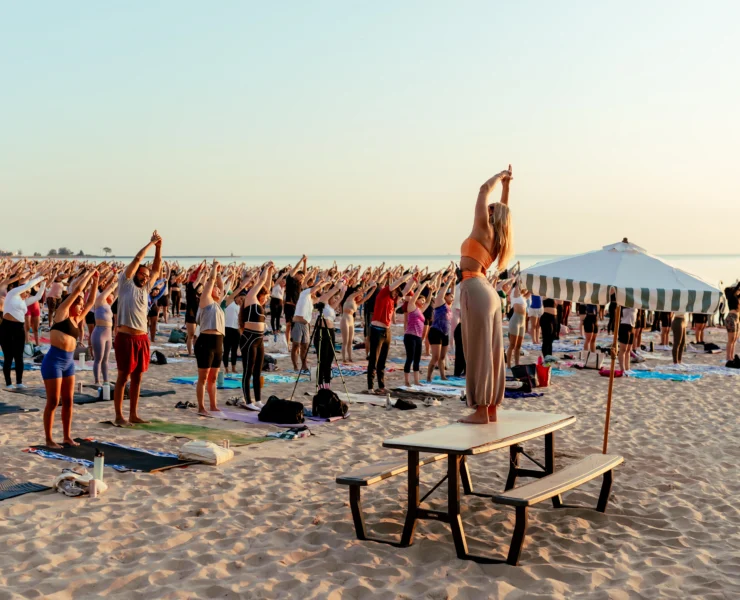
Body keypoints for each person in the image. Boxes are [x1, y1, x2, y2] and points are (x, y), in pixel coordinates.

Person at [459, 166, 513, 424]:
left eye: (490, 207)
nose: (486, 207)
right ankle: (490, 409)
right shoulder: (499, 236)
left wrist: (498, 178)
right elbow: (504, 211)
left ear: (490, 214)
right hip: (488, 292)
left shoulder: (483, 227)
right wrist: (507, 188)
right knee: (492, 352)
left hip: (475, 288)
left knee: (478, 351)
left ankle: (481, 411)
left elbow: (482, 189)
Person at [42, 270, 98, 447]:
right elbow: (77, 291)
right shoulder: (61, 314)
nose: (81, 307)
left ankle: (66, 437)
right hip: (53, 361)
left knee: (68, 401)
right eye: (78, 305)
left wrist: (96, 281)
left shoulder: (77, 318)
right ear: (72, 304)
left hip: (68, 363)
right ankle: (49, 439)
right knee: (53, 401)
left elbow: (90, 302)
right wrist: (88, 275)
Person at [113, 231, 163, 426]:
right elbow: (137, 259)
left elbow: (157, 268)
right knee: (123, 377)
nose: (145, 277)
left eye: (147, 276)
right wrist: (150, 244)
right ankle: (119, 416)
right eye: (142, 274)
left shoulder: (145, 289)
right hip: (125, 337)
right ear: (135, 274)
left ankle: (133, 414)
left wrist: (159, 248)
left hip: (141, 338)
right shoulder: (125, 284)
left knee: (138, 377)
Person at [235, 263, 273, 410]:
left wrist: (270, 272)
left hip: (259, 340)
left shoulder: (260, 305)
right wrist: (265, 269)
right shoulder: (251, 299)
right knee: (248, 370)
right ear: (259, 295)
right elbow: (262, 283)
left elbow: (267, 284)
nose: (267, 299)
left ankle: (258, 400)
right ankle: (248, 401)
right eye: (266, 296)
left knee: (258, 371)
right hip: (249, 339)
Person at [367, 272, 413, 394]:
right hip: (376, 330)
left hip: (387, 331)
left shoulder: (394, 299)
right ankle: (370, 387)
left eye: (398, 293)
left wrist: (413, 279)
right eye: (396, 292)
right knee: (374, 360)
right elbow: (399, 282)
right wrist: (409, 274)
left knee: (382, 360)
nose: (397, 294)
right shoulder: (383, 293)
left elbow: (407, 289)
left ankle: (381, 386)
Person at [1, 274, 46, 389]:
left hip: (19, 328)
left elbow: (38, 297)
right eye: (26, 291)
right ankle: (8, 383)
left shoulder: (23, 302)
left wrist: (44, 283)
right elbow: (29, 284)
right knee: (8, 356)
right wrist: (40, 277)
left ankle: (19, 382)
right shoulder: (12, 294)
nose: (27, 294)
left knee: (19, 356)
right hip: (6, 327)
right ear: (22, 289)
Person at [194, 261, 226, 415]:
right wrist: (214, 269)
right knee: (204, 377)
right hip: (205, 341)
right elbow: (212, 282)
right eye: (216, 289)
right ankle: (201, 407)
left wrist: (220, 273)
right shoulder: (206, 301)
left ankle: (213, 405)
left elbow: (221, 285)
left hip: (218, 342)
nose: (219, 290)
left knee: (213, 377)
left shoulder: (218, 305)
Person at [291, 276, 332, 375]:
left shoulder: (311, 300)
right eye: (314, 291)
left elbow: (322, 298)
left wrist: (326, 288)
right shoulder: (304, 294)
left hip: (306, 325)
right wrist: (324, 282)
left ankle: (304, 366)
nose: (315, 292)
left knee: (304, 346)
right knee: (296, 345)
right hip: (298, 323)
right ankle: (295, 366)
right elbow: (315, 288)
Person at [314, 282, 345, 388]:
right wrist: (338, 286)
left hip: (331, 332)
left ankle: (327, 383)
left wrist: (343, 291)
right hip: (321, 331)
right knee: (322, 359)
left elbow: (341, 298)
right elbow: (331, 292)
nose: (336, 299)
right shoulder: (323, 302)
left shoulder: (331, 308)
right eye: (334, 298)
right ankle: (320, 383)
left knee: (329, 359)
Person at [426, 275, 455, 383]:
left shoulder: (449, 306)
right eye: (450, 296)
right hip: (436, 332)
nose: (452, 297)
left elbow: (454, 294)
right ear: (445, 297)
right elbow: (442, 293)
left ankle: (443, 375)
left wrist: (454, 284)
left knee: (442, 357)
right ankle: (428, 376)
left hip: (445, 333)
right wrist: (449, 281)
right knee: (436, 357)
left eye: (452, 297)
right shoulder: (439, 303)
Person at [90, 275, 118, 385]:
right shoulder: (100, 301)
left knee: (106, 359)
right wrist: (118, 281)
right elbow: (110, 289)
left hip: (108, 334)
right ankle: (97, 381)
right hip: (99, 333)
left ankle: (106, 380)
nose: (112, 295)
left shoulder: (109, 305)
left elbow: (116, 293)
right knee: (98, 359)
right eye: (110, 294)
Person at [340, 281, 376, 363]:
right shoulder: (350, 297)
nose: (361, 296)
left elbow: (366, 298)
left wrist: (373, 289)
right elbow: (362, 291)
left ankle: (349, 357)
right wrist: (370, 285)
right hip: (345, 319)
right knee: (345, 341)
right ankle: (343, 358)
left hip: (351, 320)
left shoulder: (357, 303)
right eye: (360, 295)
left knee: (350, 341)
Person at [403, 281, 429, 385]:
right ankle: (407, 381)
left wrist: (431, 291)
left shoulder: (420, 311)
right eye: (421, 299)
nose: (423, 301)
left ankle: (417, 381)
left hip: (418, 337)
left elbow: (428, 302)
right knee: (410, 358)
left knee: (417, 359)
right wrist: (424, 284)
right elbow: (417, 292)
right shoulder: (411, 306)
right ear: (416, 299)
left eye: (423, 300)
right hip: (410, 336)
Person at [284, 256, 307, 354]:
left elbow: (304, 273)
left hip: (297, 307)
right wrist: (301, 260)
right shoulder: (290, 280)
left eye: (302, 277)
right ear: (296, 275)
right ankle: (287, 345)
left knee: (296, 326)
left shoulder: (299, 283)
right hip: (289, 306)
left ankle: (295, 345)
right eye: (300, 275)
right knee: (289, 325)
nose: (302, 277)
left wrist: (306, 262)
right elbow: (295, 269)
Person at [185, 263, 206, 355]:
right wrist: (202, 272)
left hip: (198, 313)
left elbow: (203, 282)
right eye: (200, 288)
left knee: (197, 336)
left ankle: (196, 352)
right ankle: (190, 353)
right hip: (191, 313)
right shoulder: (190, 288)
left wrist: (206, 273)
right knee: (191, 335)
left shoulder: (199, 292)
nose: (201, 289)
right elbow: (197, 280)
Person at [506, 281, 528, 366]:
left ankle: (517, 364)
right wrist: (520, 279)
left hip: (522, 322)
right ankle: (508, 365)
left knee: (518, 346)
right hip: (515, 320)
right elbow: (516, 287)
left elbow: (531, 290)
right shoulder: (514, 295)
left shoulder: (523, 297)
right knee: (512, 345)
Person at [223, 287, 242, 375]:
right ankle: (226, 368)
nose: (241, 300)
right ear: (236, 297)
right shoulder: (230, 303)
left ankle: (233, 367)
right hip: (227, 329)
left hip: (236, 330)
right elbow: (234, 293)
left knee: (234, 350)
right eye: (240, 298)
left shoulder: (241, 307)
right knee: (226, 350)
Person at [724, 282, 740, 362]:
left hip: (737, 319)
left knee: (735, 339)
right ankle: (728, 357)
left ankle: (732, 356)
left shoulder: (736, 297)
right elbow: (736, 289)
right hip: (731, 318)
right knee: (731, 339)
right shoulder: (730, 297)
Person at [618, 306, 636, 373]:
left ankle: (627, 368)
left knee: (629, 349)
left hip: (632, 327)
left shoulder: (636, 303)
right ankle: (622, 369)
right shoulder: (624, 303)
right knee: (623, 349)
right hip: (624, 326)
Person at [270, 270, 287, 335]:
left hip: (280, 302)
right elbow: (279, 279)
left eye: (284, 282)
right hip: (274, 301)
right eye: (282, 282)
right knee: (273, 316)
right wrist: (283, 274)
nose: (283, 283)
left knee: (278, 317)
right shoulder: (276, 285)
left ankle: (277, 329)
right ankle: (273, 329)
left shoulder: (283, 288)